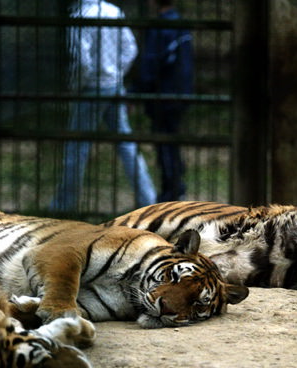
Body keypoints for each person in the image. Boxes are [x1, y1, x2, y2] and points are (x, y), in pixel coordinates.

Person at [51, 0, 156, 213]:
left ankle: (64, 205)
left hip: (91, 89)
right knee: (126, 143)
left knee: (76, 147)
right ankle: (149, 199)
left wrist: (75, 86)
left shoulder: (79, 16)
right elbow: (130, 48)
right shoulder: (113, 11)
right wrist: (116, 73)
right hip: (114, 86)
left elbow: (82, 61)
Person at [136, 0, 193, 202]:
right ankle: (176, 186)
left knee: (165, 144)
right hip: (181, 93)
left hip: (164, 94)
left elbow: (151, 64)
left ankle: (172, 190)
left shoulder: (162, 27)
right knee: (171, 141)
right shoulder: (180, 24)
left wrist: (139, 89)